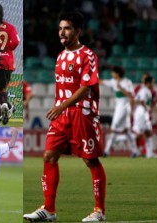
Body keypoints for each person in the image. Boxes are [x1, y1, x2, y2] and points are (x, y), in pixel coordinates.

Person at [23, 12, 106, 222]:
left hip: (82, 113)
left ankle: (99, 211)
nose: (62, 32)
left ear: (77, 31)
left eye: (67, 28)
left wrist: (62, 106)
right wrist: (60, 108)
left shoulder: (87, 55)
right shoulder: (60, 56)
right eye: (60, 28)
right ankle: (49, 209)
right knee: (49, 157)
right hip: (62, 115)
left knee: (90, 160)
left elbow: (86, 88)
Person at [100, 66, 139, 157]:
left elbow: (131, 94)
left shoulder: (127, 82)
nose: (111, 74)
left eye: (113, 72)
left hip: (124, 107)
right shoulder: (113, 82)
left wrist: (121, 89)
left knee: (114, 128)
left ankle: (106, 151)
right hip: (119, 107)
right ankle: (135, 151)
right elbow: (101, 82)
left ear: (117, 73)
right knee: (127, 130)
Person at [133, 75, 157, 158]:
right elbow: (140, 100)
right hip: (141, 113)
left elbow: (136, 98)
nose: (153, 84)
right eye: (152, 82)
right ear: (148, 83)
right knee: (138, 134)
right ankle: (121, 138)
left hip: (144, 113)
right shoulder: (145, 91)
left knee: (149, 132)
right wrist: (147, 107)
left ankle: (149, 153)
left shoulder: (144, 90)